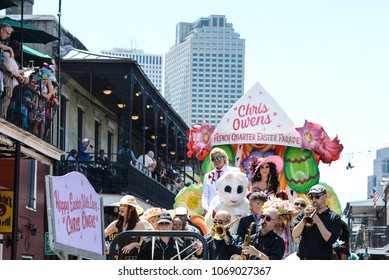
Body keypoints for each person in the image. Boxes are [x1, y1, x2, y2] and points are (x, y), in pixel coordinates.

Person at [292, 184, 342, 260]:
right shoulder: (304, 213)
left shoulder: (334, 217)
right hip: (305, 258)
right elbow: (295, 234)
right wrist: (304, 218)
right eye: (311, 197)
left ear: (325, 197)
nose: (314, 200)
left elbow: (330, 240)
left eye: (317, 197)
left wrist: (318, 221)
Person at [104, 195, 145, 260]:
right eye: (121, 205)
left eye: (125, 206)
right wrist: (104, 243)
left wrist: (134, 244)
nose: (121, 208)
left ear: (131, 209)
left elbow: (148, 243)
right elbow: (101, 235)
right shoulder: (116, 224)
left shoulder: (138, 224)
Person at [202, 147, 240, 214]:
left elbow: (238, 192)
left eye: (218, 158)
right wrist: (205, 207)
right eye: (213, 159)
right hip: (212, 212)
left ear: (224, 158)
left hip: (229, 210)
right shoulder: (208, 176)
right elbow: (205, 195)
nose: (216, 160)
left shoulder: (235, 171)